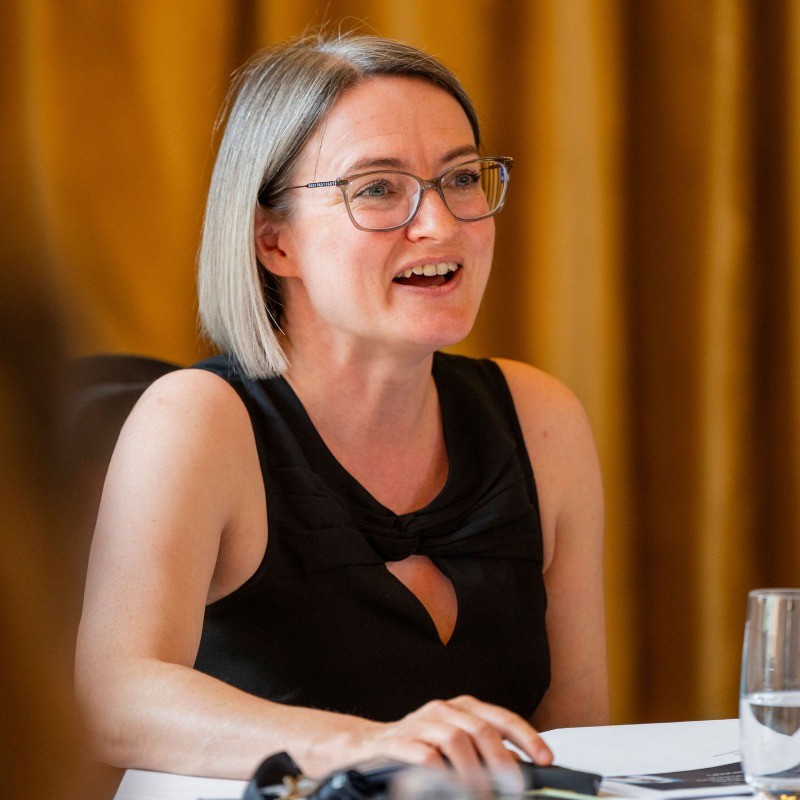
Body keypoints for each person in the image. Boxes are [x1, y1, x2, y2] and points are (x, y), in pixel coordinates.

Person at [76, 32, 608, 782]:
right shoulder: (197, 418)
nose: (441, 225)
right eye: (379, 188)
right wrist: (355, 745)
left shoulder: (540, 416)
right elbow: (112, 700)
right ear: (273, 240)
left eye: (461, 178)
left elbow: (580, 741)